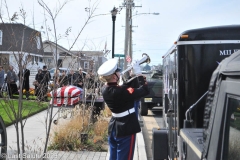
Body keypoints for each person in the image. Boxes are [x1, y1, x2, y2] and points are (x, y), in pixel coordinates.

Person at [97, 59, 149, 160]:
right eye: (117, 71)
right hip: (126, 128)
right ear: (113, 76)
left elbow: (124, 87)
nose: (119, 72)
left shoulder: (105, 88)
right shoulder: (121, 91)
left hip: (114, 127)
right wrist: (138, 73)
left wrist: (131, 76)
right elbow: (144, 90)